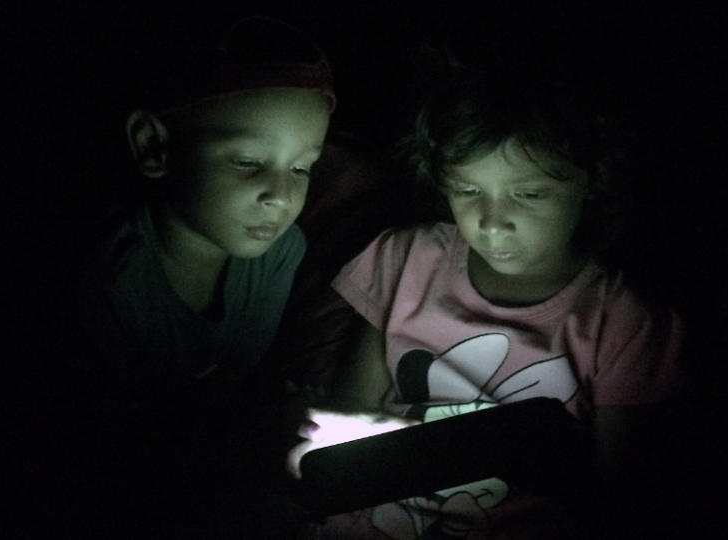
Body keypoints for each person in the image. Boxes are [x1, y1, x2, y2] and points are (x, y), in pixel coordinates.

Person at [287, 63, 686, 539]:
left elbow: (618, 492)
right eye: (468, 190)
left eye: (529, 193)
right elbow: (352, 406)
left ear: (590, 181)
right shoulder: (406, 258)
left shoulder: (620, 320)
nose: (493, 222)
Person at [43, 14, 336, 537]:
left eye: (301, 168)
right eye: (248, 161)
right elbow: (97, 453)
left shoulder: (281, 252)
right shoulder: (109, 282)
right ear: (154, 146)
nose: (280, 195)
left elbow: (238, 387)